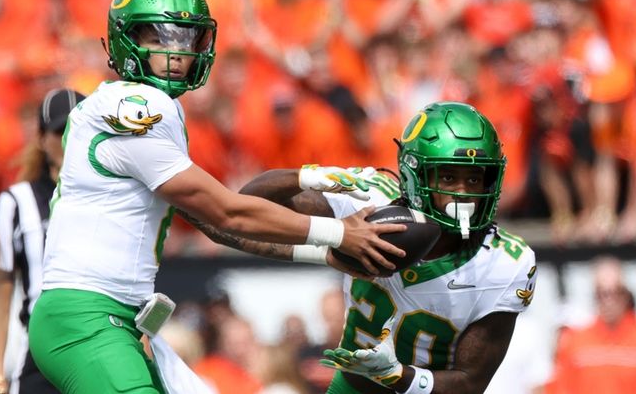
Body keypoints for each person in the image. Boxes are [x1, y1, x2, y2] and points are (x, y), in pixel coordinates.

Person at [27, 0, 406, 394]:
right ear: (125, 40)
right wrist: (338, 232)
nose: (176, 52)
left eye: (185, 39)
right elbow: (226, 210)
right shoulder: (132, 108)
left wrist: (325, 254)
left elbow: (215, 224)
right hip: (86, 317)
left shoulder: (156, 109)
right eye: (160, 36)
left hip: (122, 316)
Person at [188, 102, 539, 394]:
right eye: (448, 177)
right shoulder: (369, 198)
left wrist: (398, 375)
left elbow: (470, 382)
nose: (464, 192)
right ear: (416, 175)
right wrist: (303, 177)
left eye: (475, 178)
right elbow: (242, 209)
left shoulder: (506, 262)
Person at [0, 88, 85, 394]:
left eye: (77, 130)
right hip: (41, 348)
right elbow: (2, 290)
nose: (68, 139)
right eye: (59, 131)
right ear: (42, 138)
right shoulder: (17, 201)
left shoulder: (112, 199)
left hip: (94, 341)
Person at [546, 256, 636, 394]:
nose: (608, 301)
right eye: (601, 294)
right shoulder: (575, 342)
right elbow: (560, 388)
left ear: (626, 295)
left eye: (615, 292)